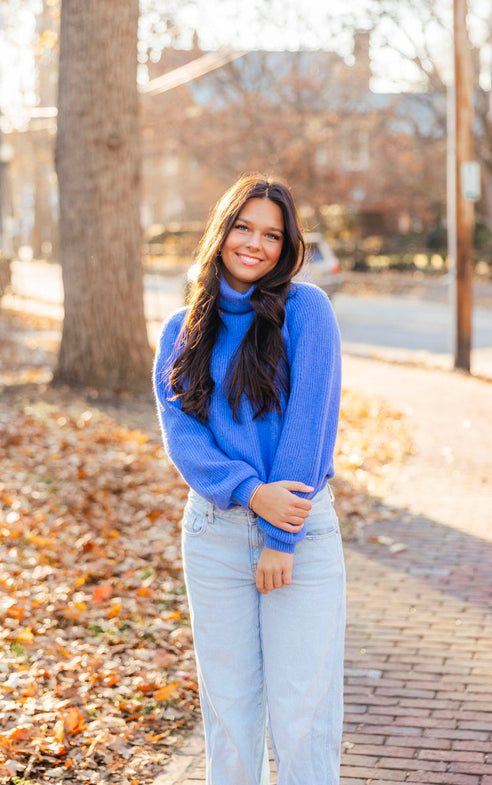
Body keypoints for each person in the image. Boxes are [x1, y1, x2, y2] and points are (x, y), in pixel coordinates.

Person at [153, 173, 346, 785]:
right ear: (222, 232)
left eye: (272, 234)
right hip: (213, 533)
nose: (255, 244)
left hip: (298, 532)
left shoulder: (307, 310)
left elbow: (309, 422)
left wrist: (278, 536)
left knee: (302, 716)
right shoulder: (182, 328)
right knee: (230, 717)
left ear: (286, 246)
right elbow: (184, 438)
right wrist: (246, 491)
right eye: (243, 227)